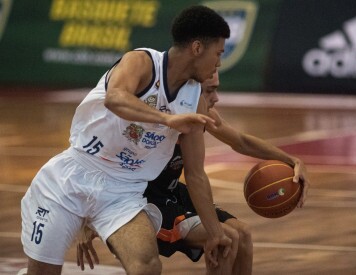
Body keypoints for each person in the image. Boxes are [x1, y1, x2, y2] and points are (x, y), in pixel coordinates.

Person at [20, 5, 234, 275]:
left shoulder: (194, 101)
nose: (219, 63)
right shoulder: (142, 61)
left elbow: (195, 174)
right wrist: (167, 119)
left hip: (123, 192)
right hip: (71, 177)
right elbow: (116, 98)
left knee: (146, 266)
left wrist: (215, 232)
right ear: (196, 48)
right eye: (218, 53)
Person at [76, 71, 310, 274]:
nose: (216, 98)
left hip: (172, 192)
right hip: (145, 201)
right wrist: (89, 219)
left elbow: (241, 141)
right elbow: (102, 163)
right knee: (224, 240)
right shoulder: (155, 120)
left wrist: (291, 160)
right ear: (190, 93)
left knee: (243, 234)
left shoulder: (203, 115)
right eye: (210, 91)